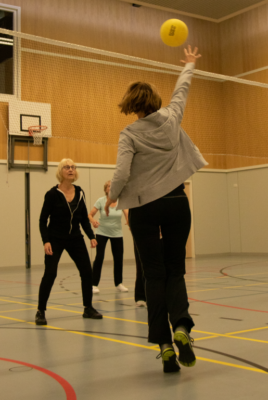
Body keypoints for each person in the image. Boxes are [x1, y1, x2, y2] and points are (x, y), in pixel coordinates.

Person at [105, 46, 207, 373]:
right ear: (154, 100)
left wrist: (112, 196)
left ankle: (164, 345)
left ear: (132, 105)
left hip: (144, 210)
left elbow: (121, 173)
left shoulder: (129, 134)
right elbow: (182, 90)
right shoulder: (172, 117)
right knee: (175, 269)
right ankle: (181, 326)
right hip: (177, 202)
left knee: (153, 274)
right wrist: (189, 63)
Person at [36, 158, 102, 325]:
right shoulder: (52, 194)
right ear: (61, 171)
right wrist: (46, 241)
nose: (71, 169)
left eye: (73, 167)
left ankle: (88, 308)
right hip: (55, 239)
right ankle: (40, 311)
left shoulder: (80, 192)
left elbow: (83, 219)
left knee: (87, 271)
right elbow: (43, 220)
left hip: (75, 238)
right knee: (50, 273)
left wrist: (91, 236)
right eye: (67, 167)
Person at [88, 180, 129, 293]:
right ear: (105, 189)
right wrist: (93, 221)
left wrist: (129, 222)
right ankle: (94, 284)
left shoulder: (121, 201)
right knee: (99, 257)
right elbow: (90, 214)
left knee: (118, 258)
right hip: (102, 232)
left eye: (114, 186)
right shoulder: (101, 201)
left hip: (117, 233)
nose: (111, 188)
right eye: (109, 186)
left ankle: (119, 283)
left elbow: (126, 212)